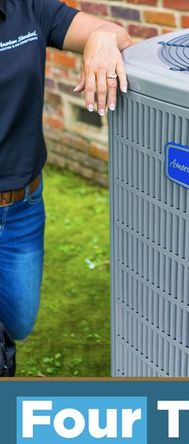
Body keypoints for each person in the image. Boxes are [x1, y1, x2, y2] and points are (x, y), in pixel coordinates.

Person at [0, 0, 132, 376]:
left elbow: (115, 33)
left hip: (23, 207)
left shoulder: (26, 9)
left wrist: (103, 38)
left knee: (20, 320)